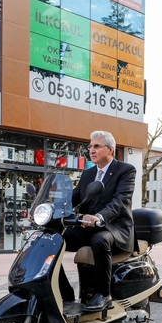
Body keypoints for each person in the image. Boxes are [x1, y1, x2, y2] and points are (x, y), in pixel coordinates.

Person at [58, 130, 136, 312]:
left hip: (115, 228)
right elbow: (73, 198)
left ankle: (103, 294)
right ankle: (64, 292)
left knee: (99, 240)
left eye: (96, 146)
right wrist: (47, 209)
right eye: (90, 146)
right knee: (53, 238)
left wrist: (99, 217)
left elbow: (120, 200)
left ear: (110, 150)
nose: (91, 150)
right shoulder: (88, 174)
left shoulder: (125, 170)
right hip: (88, 228)